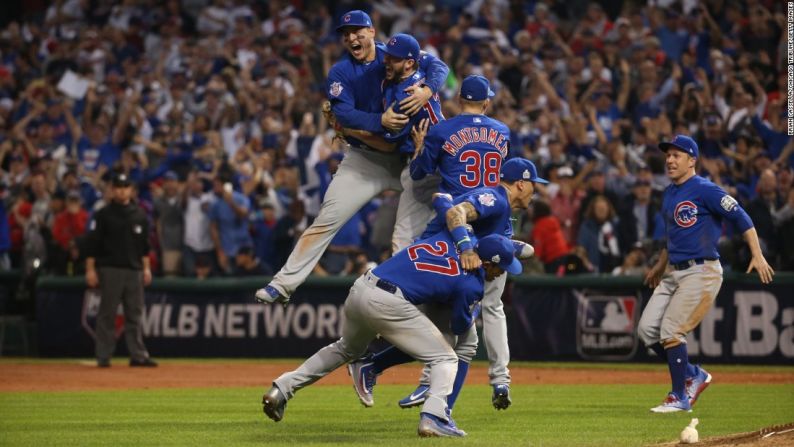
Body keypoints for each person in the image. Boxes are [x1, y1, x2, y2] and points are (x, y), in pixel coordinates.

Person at [256, 10, 448, 304]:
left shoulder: (394, 52)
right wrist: (378, 122)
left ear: (372, 32)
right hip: (365, 160)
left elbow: (439, 65)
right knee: (327, 219)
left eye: (358, 30)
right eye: (346, 34)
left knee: (431, 219)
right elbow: (343, 113)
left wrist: (427, 90)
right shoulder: (341, 72)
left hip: (410, 158)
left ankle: (411, 301)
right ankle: (282, 284)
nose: (351, 37)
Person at [260, 232, 522, 438]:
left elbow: (446, 207)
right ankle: (434, 417)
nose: (503, 273)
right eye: (501, 267)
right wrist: (469, 313)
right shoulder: (472, 284)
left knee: (345, 348)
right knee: (446, 357)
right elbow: (458, 326)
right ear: (487, 263)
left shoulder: (452, 236)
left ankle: (281, 389)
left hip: (362, 286)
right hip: (389, 302)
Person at [348, 158, 545, 413]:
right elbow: (452, 210)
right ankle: (438, 410)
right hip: (435, 269)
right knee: (460, 340)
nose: (535, 190)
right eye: (533, 184)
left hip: (434, 268)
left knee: (444, 338)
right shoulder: (494, 199)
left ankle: (378, 369)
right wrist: (466, 248)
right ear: (520, 184)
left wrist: (513, 247)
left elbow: (444, 202)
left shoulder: (499, 209)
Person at [639, 135, 774, 413]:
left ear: (692, 161)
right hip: (673, 271)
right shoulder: (669, 193)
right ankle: (693, 374)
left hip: (701, 270)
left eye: (677, 155)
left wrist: (757, 254)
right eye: (668, 155)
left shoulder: (705, 189)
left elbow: (742, 217)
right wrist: (660, 266)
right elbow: (671, 236)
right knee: (647, 330)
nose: (670, 160)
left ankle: (679, 397)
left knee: (671, 330)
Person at [84, 172, 157, 368]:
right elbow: (93, 245)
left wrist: (147, 269)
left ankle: (138, 355)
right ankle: (103, 355)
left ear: (131, 191)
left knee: (135, 314)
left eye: (125, 187)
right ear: (112, 190)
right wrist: (90, 270)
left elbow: (144, 248)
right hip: (110, 269)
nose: (121, 191)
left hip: (134, 270)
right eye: (118, 187)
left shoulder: (139, 215)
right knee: (107, 314)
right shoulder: (103, 214)